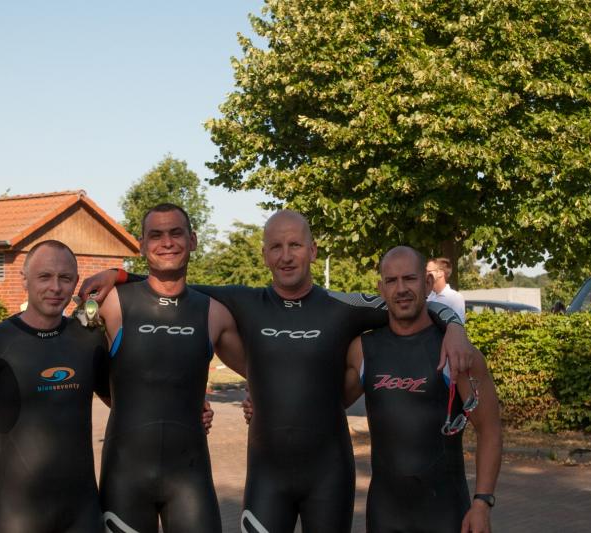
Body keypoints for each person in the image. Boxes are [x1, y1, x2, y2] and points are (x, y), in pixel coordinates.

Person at [81, 210, 479, 533]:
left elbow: (413, 302)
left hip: (329, 474)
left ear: (313, 251)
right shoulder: (243, 302)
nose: (286, 256)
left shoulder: (343, 308)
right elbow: (171, 283)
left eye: (295, 245)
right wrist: (120, 274)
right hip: (266, 477)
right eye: (276, 246)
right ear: (265, 255)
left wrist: (455, 327)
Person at [96, 203, 246, 533]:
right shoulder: (111, 305)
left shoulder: (214, 313)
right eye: (156, 235)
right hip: (125, 479)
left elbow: (266, 373)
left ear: (193, 240)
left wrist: (258, 401)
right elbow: (72, 367)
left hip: (190, 479)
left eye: (176, 233)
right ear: (141, 245)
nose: (167, 242)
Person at [0, 240, 108, 533]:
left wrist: (118, 276)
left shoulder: (89, 341)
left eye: (65, 278)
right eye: (44, 276)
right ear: (24, 279)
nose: (55, 287)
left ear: (76, 283)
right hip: (16, 515)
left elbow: (125, 401)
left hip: (82, 513)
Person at [344, 246, 502, 533]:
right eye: (391, 281)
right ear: (381, 289)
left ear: (428, 283)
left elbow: (489, 429)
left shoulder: (457, 354)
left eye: (410, 278)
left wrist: (482, 503)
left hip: (445, 514)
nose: (401, 289)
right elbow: (325, 402)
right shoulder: (363, 350)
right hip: (384, 515)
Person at [427, 257, 466, 323]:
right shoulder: (428, 296)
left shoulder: (455, 298)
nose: (425, 274)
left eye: (428, 271)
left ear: (440, 273)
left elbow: (458, 325)